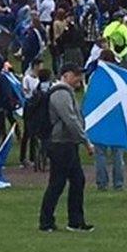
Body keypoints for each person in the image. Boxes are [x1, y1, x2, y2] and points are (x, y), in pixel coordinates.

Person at [38, 63, 94, 233]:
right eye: (77, 75)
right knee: (58, 183)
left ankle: (74, 220)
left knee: (76, 180)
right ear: (67, 75)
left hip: (66, 143)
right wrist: (86, 141)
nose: (79, 79)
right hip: (60, 144)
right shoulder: (61, 93)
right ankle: (48, 221)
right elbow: (70, 120)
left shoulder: (64, 92)